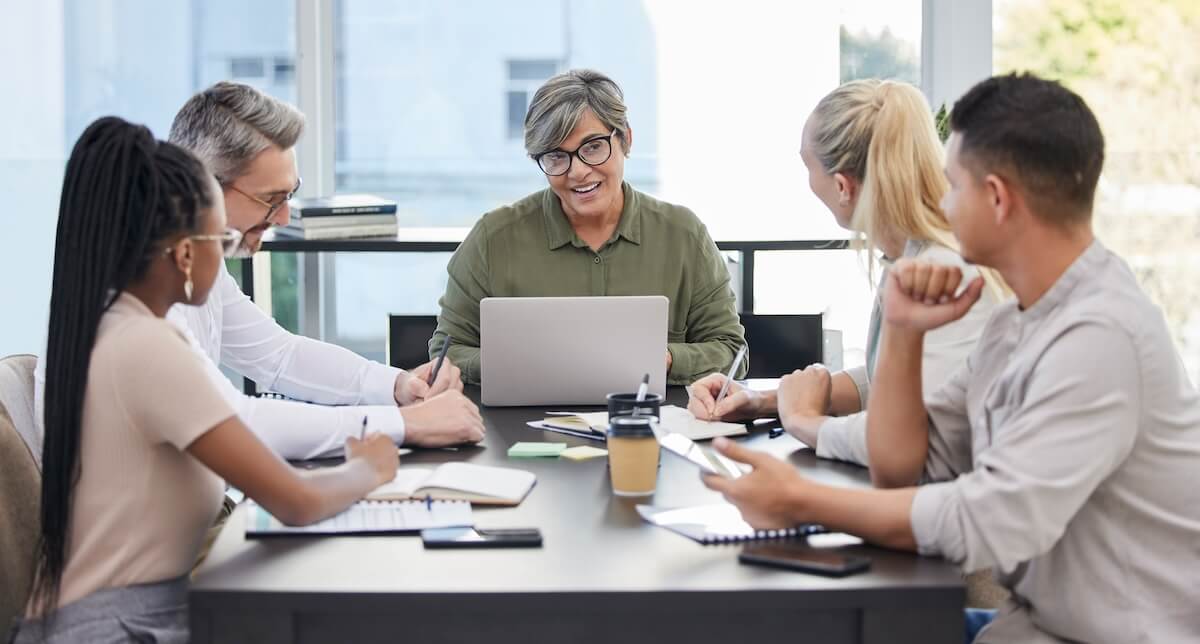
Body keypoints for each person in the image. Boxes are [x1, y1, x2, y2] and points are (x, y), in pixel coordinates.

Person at [701, 73, 1200, 643]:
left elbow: (980, 520)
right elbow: (912, 460)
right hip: (1034, 623)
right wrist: (905, 334)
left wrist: (800, 498)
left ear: (996, 198)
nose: (938, 201)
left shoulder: (1100, 337)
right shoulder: (1021, 322)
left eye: (951, 184)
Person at [13, 118, 398, 643]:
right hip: (122, 627)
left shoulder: (111, 322)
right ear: (186, 253)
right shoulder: (146, 347)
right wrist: (369, 467)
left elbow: (279, 356)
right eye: (222, 237)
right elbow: (295, 500)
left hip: (128, 611)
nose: (231, 251)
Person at [31, 81, 484, 462]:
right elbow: (240, 421)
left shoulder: (186, 276)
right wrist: (403, 424)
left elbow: (279, 356)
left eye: (292, 194)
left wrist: (398, 385)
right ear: (201, 184)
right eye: (272, 199)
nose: (285, 218)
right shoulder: (141, 311)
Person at [690, 80, 1006, 485]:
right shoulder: (911, 259)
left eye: (808, 167)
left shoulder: (945, 274)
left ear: (842, 186)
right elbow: (890, 383)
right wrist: (763, 401)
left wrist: (804, 420)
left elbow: (915, 439)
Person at [430, 69, 747, 385]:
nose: (578, 172)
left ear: (625, 139)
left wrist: (664, 359)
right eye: (556, 156)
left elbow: (732, 352)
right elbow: (446, 353)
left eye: (593, 147)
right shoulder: (492, 239)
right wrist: (517, 364)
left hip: (652, 427)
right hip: (521, 425)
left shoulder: (684, 236)